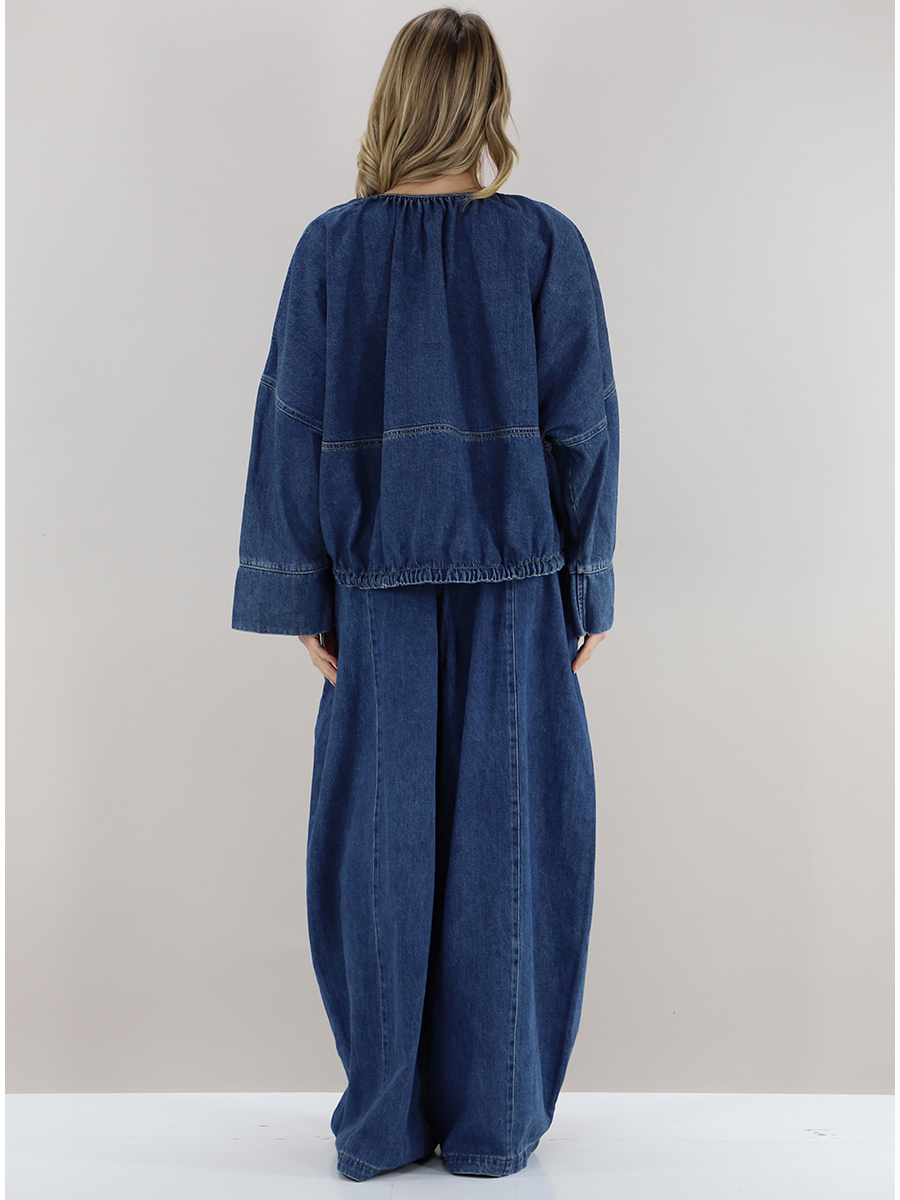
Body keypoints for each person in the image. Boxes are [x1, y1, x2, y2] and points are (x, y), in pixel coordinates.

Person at [231, 5, 619, 1182]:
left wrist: (303, 596)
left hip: (374, 600)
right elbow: (583, 428)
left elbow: (288, 424)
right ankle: (493, 1127)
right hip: (517, 598)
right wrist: (586, 590)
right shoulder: (544, 244)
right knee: (514, 852)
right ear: (487, 103)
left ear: (394, 102)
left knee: (375, 858)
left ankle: (385, 1123)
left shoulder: (330, 250)